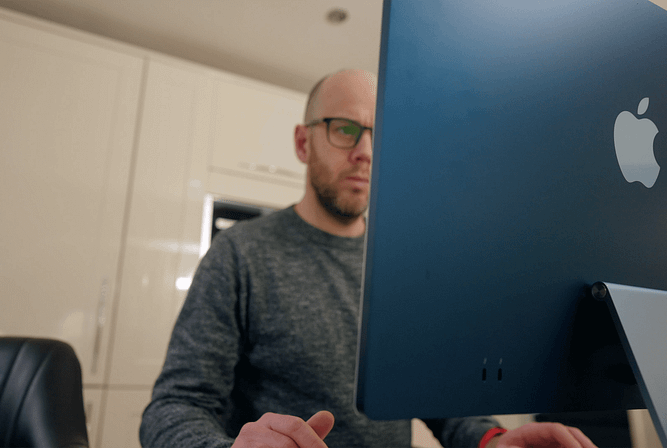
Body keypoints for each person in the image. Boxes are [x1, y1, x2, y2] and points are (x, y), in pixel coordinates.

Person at [140, 69, 597, 448]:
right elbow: (175, 408)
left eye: (382, 136)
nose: (366, 152)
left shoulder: (409, 268)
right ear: (304, 143)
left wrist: (496, 440)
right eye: (345, 130)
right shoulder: (240, 253)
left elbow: (440, 404)